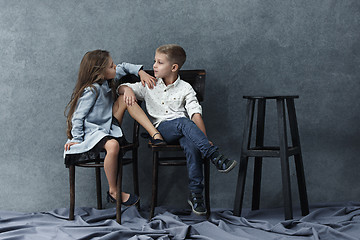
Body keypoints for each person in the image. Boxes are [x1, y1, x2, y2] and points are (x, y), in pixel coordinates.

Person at [117, 44, 237, 215]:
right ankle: (214, 155)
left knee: (192, 144)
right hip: (161, 130)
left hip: (184, 130)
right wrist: (127, 88)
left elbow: (195, 115)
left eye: (159, 62)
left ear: (174, 67)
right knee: (182, 121)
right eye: (154, 61)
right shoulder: (149, 84)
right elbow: (118, 88)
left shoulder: (186, 88)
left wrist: (202, 138)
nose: (154, 66)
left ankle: (196, 194)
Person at [64, 50, 165, 207]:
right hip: (93, 131)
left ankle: (154, 132)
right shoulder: (91, 90)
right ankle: (113, 191)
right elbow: (78, 117)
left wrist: (140, 73)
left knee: (125, 98)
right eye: (111, 66)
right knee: (113, 145)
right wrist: (77, 139)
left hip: (108, 125)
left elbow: (123, 67)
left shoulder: (107, 80)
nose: (115, 67)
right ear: (100, 72)